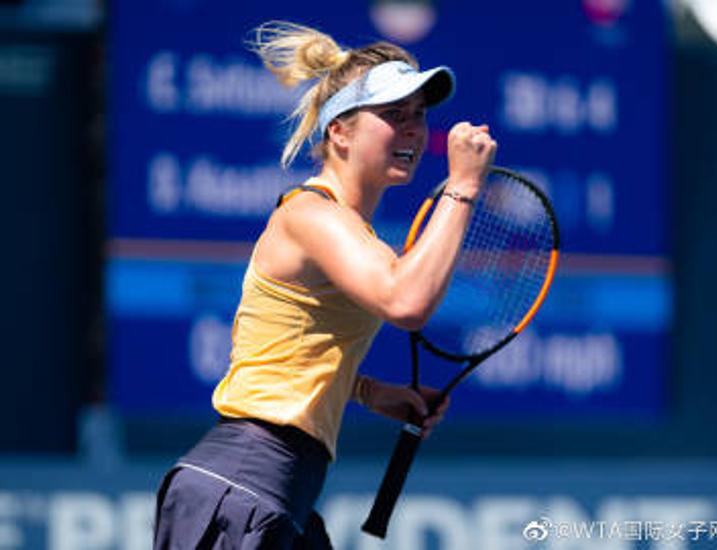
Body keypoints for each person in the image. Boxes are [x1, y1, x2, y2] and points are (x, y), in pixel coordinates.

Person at [153, 21, 496, 549]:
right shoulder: (311, 215)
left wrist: (369, 392)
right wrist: (463, 185)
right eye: (393, 115)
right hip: (243, 486)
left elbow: (284, 344)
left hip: (275, 492)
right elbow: (406, 301)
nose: (412, 129)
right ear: (340, 132)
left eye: (418, 115)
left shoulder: (349, 232)